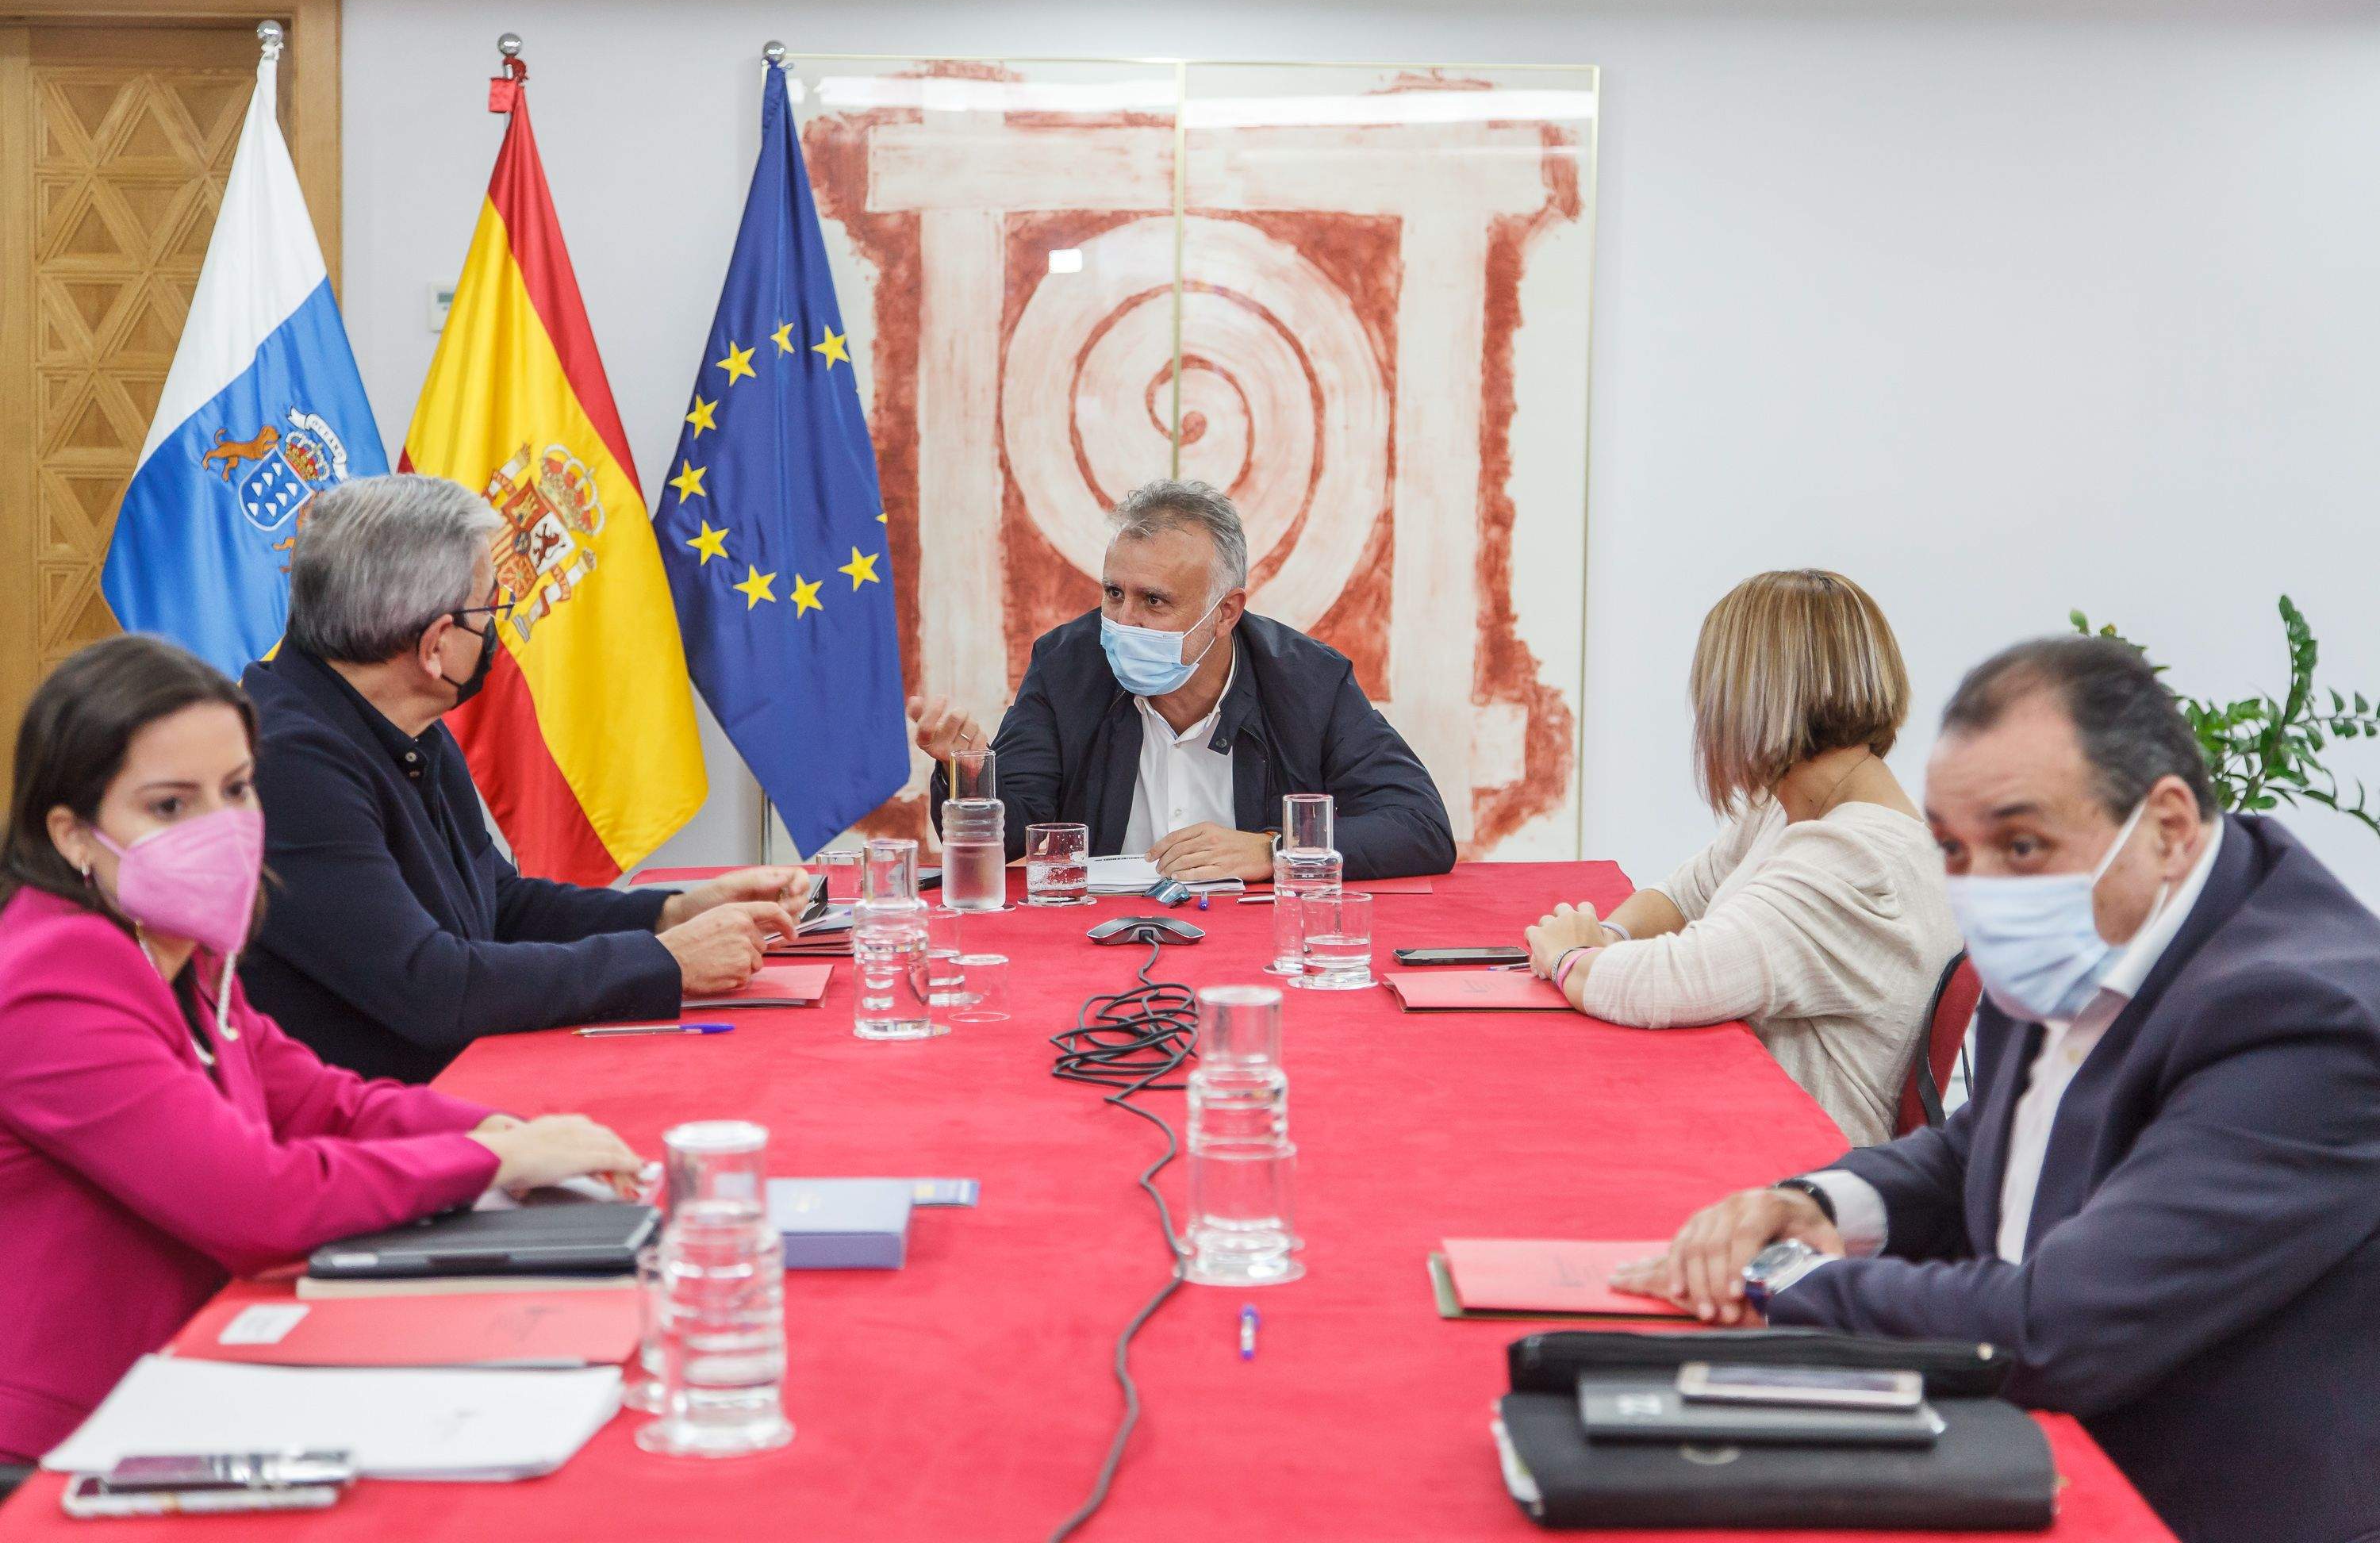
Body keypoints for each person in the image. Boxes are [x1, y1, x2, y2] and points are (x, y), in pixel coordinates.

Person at [1614, 635, 2380, 1543]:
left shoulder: (2301, 1020)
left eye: (2021, 843)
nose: (1982, 892)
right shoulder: (2101, 917)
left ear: (2170, 826)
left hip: (2180, 1502)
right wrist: (1817, 1204)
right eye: (1953, 847)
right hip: (2031, 1441)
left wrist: (1787, 1280)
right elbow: (1990, 1143)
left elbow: (2058, 1327)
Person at [0, 635, 644, 1463]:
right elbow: (252, 1201)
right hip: (61, 1446)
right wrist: (492, 1161)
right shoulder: (51, 977)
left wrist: (500, 1130)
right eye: (169, 806)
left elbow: (321, 1102)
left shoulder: (177, 948)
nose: (222, 828)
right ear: (73, 835)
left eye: (237, 789)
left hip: (185, 1380)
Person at [240, 476, 804, 1083]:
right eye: (491, 609)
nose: (496, 629)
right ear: (435, 645)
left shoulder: (402, 720)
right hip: (366, 1116)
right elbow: (431, 987)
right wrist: (664, 961)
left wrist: (672, 913)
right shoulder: (283, 762)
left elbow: (497, 906)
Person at [1522, 570, 1957, 1146]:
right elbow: (1684, 895)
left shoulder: (1855, 860)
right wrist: (1607, 935)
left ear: (1748, 701)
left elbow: (1677, 980)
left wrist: (1568, 957)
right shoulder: (1792, 809)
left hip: (1793, 1165)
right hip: (1754, 1128)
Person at [907, 479, 1455, 883]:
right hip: (1103, 939)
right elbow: (1007, 836)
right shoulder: (1067, 666)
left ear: (1225, 612)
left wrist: (1274, 851)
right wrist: (967, 773)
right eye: (1114, 593)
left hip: (1253, 944)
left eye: (1154, 601)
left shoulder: (1307, 680)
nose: (1124, 622)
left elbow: (1419, 826)